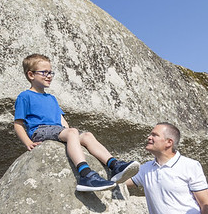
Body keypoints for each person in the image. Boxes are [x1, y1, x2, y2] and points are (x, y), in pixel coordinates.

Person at [14, 54, 139, 191]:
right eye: (44, 72)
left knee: (87, 136)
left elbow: (61, 119)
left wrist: (70, 134)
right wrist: (28, 142)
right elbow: (18, 123)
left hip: (57, 130)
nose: (49, 76)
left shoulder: (51, 98)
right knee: (72, 132)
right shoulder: (25, 96)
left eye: (50, 72)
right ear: (31, 75)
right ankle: (86, 175)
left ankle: (115, 165)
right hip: (40, 130)